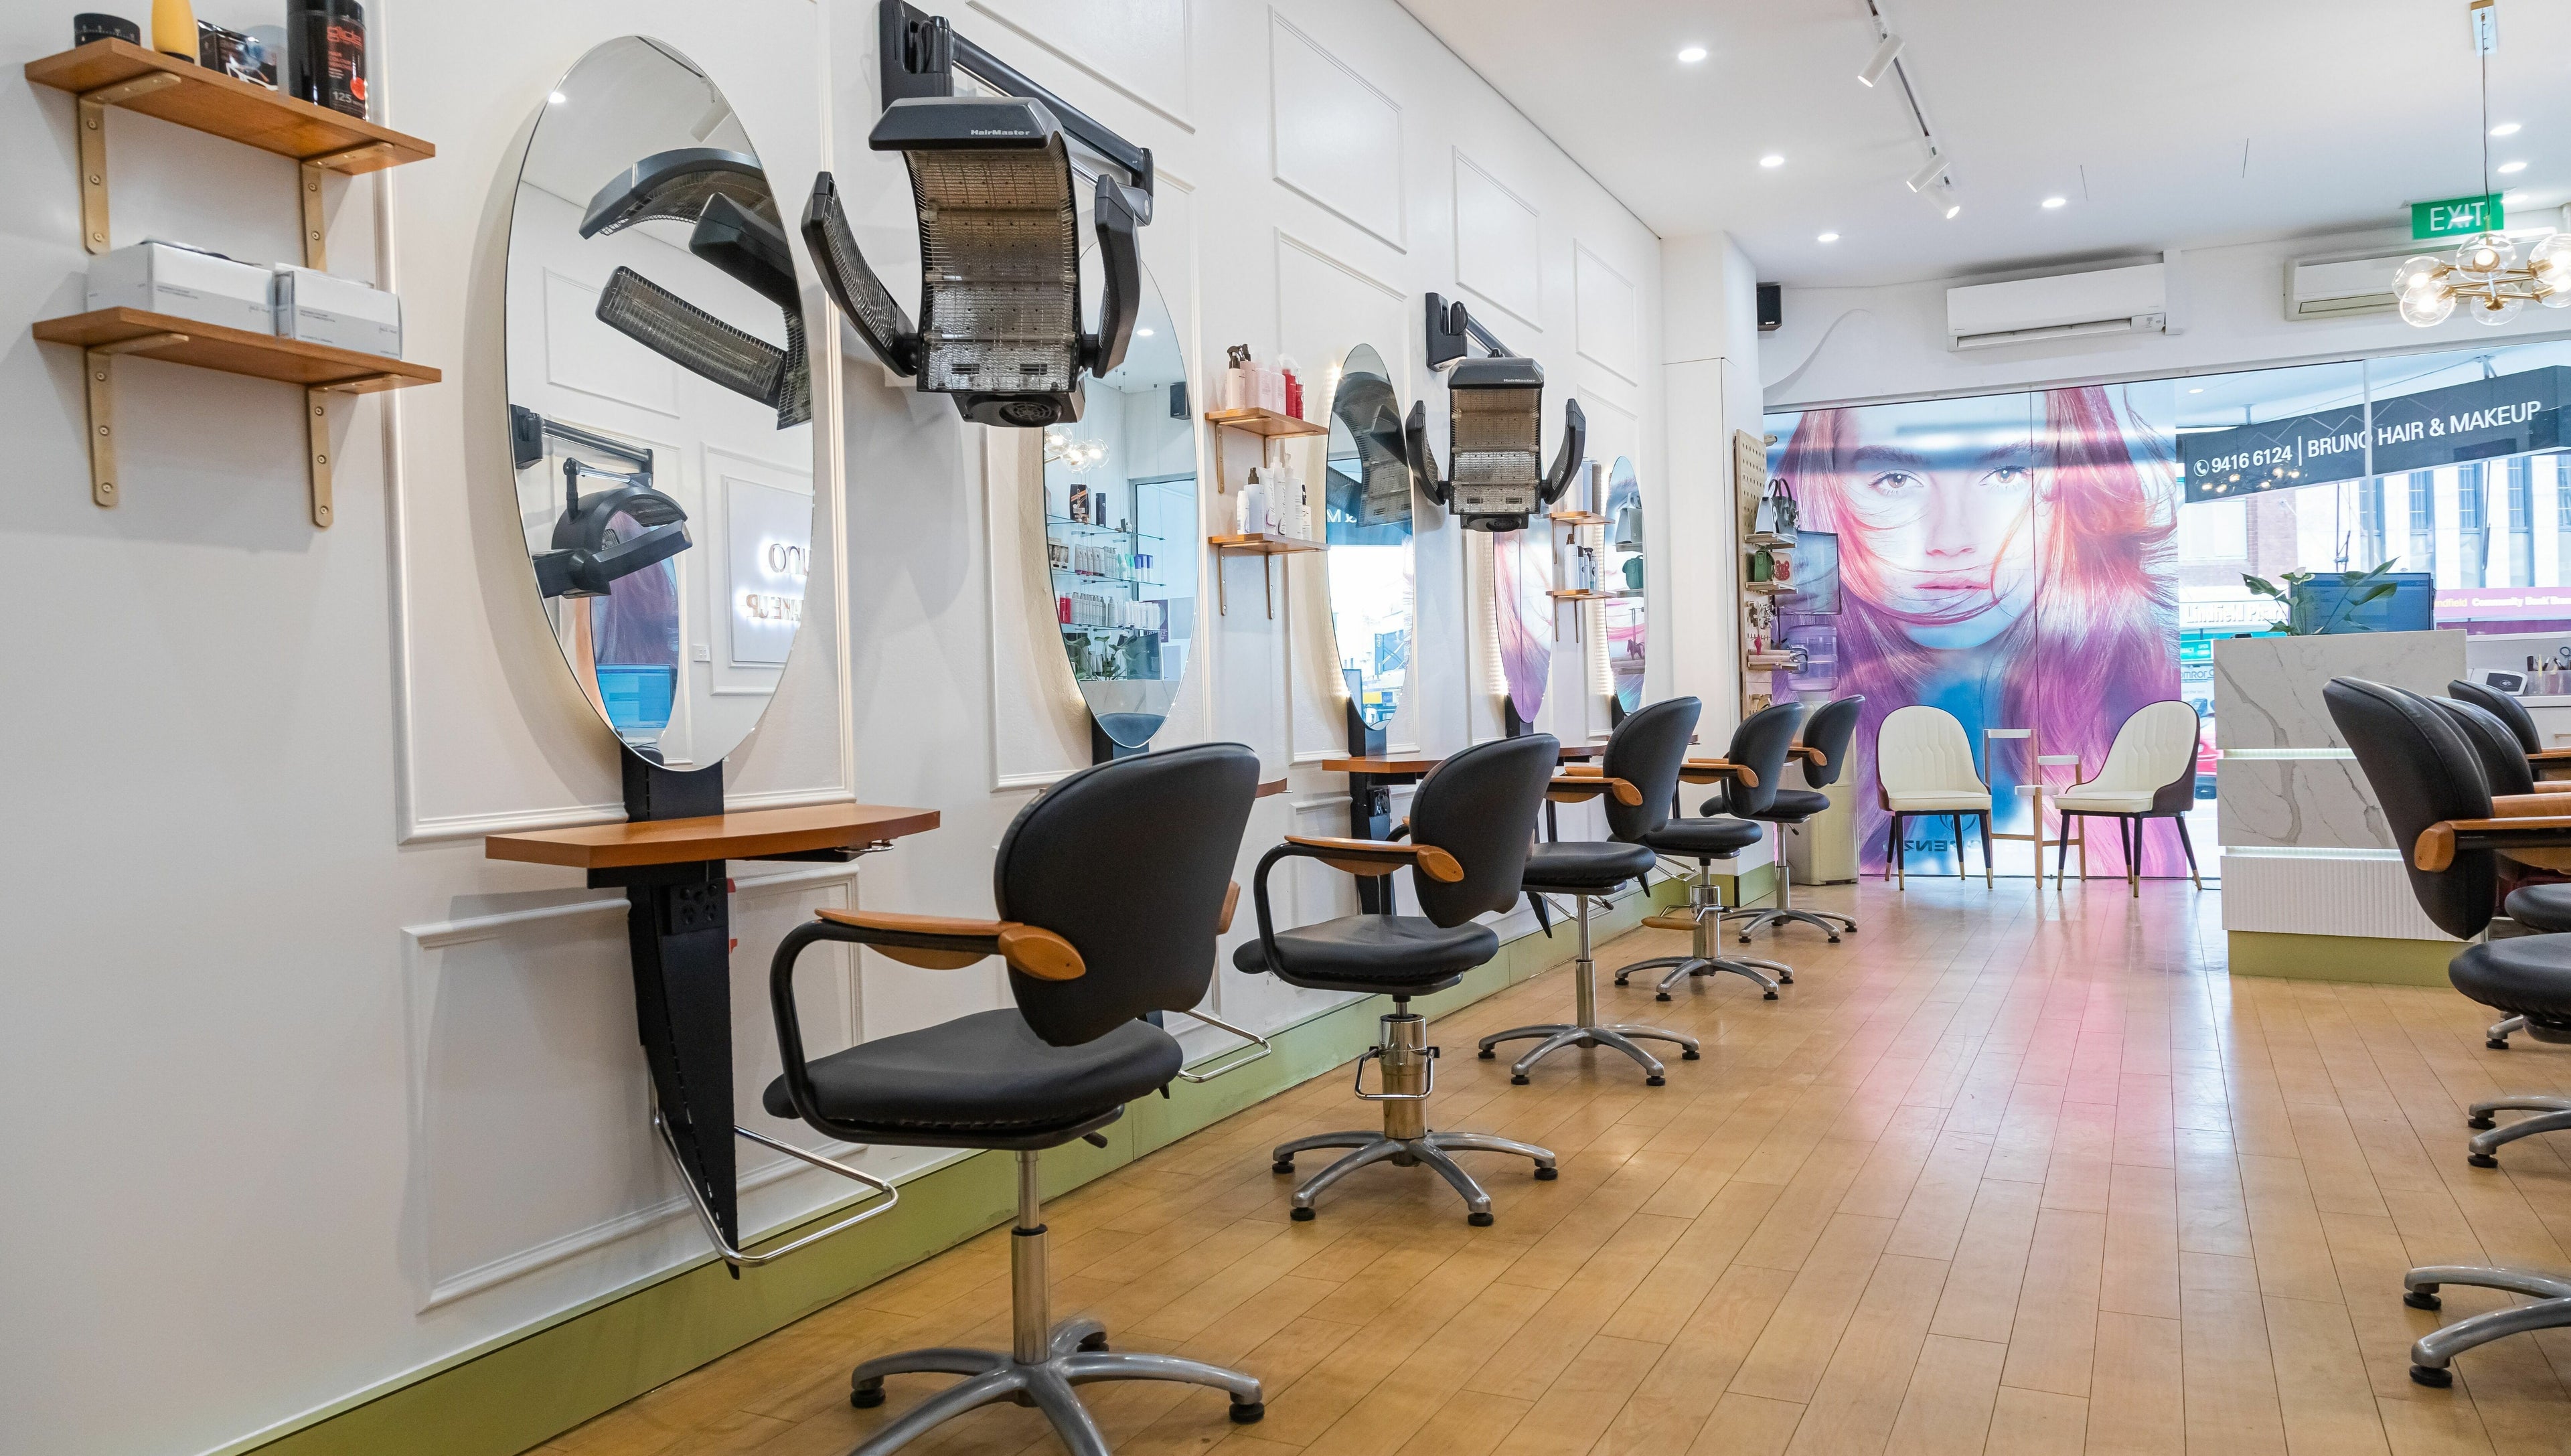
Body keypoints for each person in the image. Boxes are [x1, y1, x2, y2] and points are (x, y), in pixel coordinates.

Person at [1772, 384, 2179, 876]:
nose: (1951, 540)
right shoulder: (1801, 699)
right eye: (1896, 478)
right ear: (1827, 496)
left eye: (2006, 473)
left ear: (2076, 500)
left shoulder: (2126, 688)